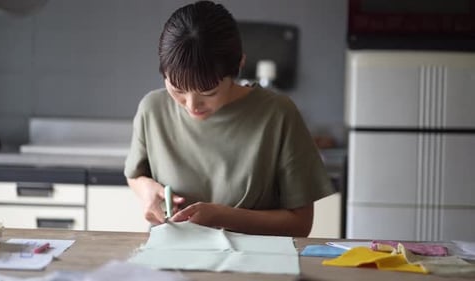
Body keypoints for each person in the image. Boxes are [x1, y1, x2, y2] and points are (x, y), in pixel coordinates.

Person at [124, 0, 333, 237]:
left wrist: (221, 216)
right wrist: (146, 191)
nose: (192, 105)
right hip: (170, 263)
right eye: (177, 89)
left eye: (209, 92)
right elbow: (136, 175)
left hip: (255, 267)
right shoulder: (152, 109)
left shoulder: (277, 114)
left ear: (239, 65)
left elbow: (300, 224)